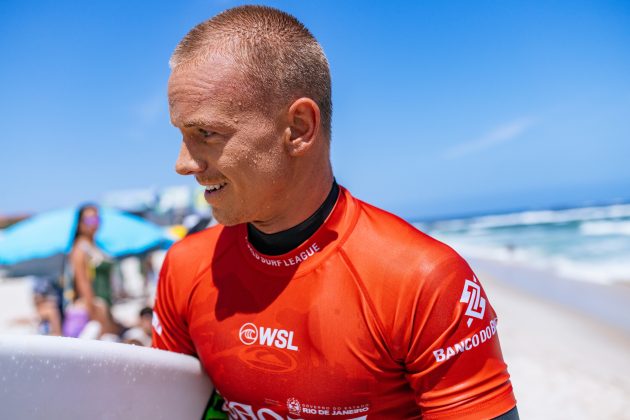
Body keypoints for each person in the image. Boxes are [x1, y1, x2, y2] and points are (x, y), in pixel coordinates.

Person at [152, 6, 518, 419]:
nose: (183, 163)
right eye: (181, 135)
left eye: (206, 133)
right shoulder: (186, 268)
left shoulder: (424, 282)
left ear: (300, 127)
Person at [63, 204, 120, 338]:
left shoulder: (97, 246)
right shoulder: (80, 248)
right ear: (80, 223)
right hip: (93, 308)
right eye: (89, 220)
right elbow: (82, 282)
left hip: (105, 306)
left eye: (97, 219)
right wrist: (94, 312)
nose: (94, 224)